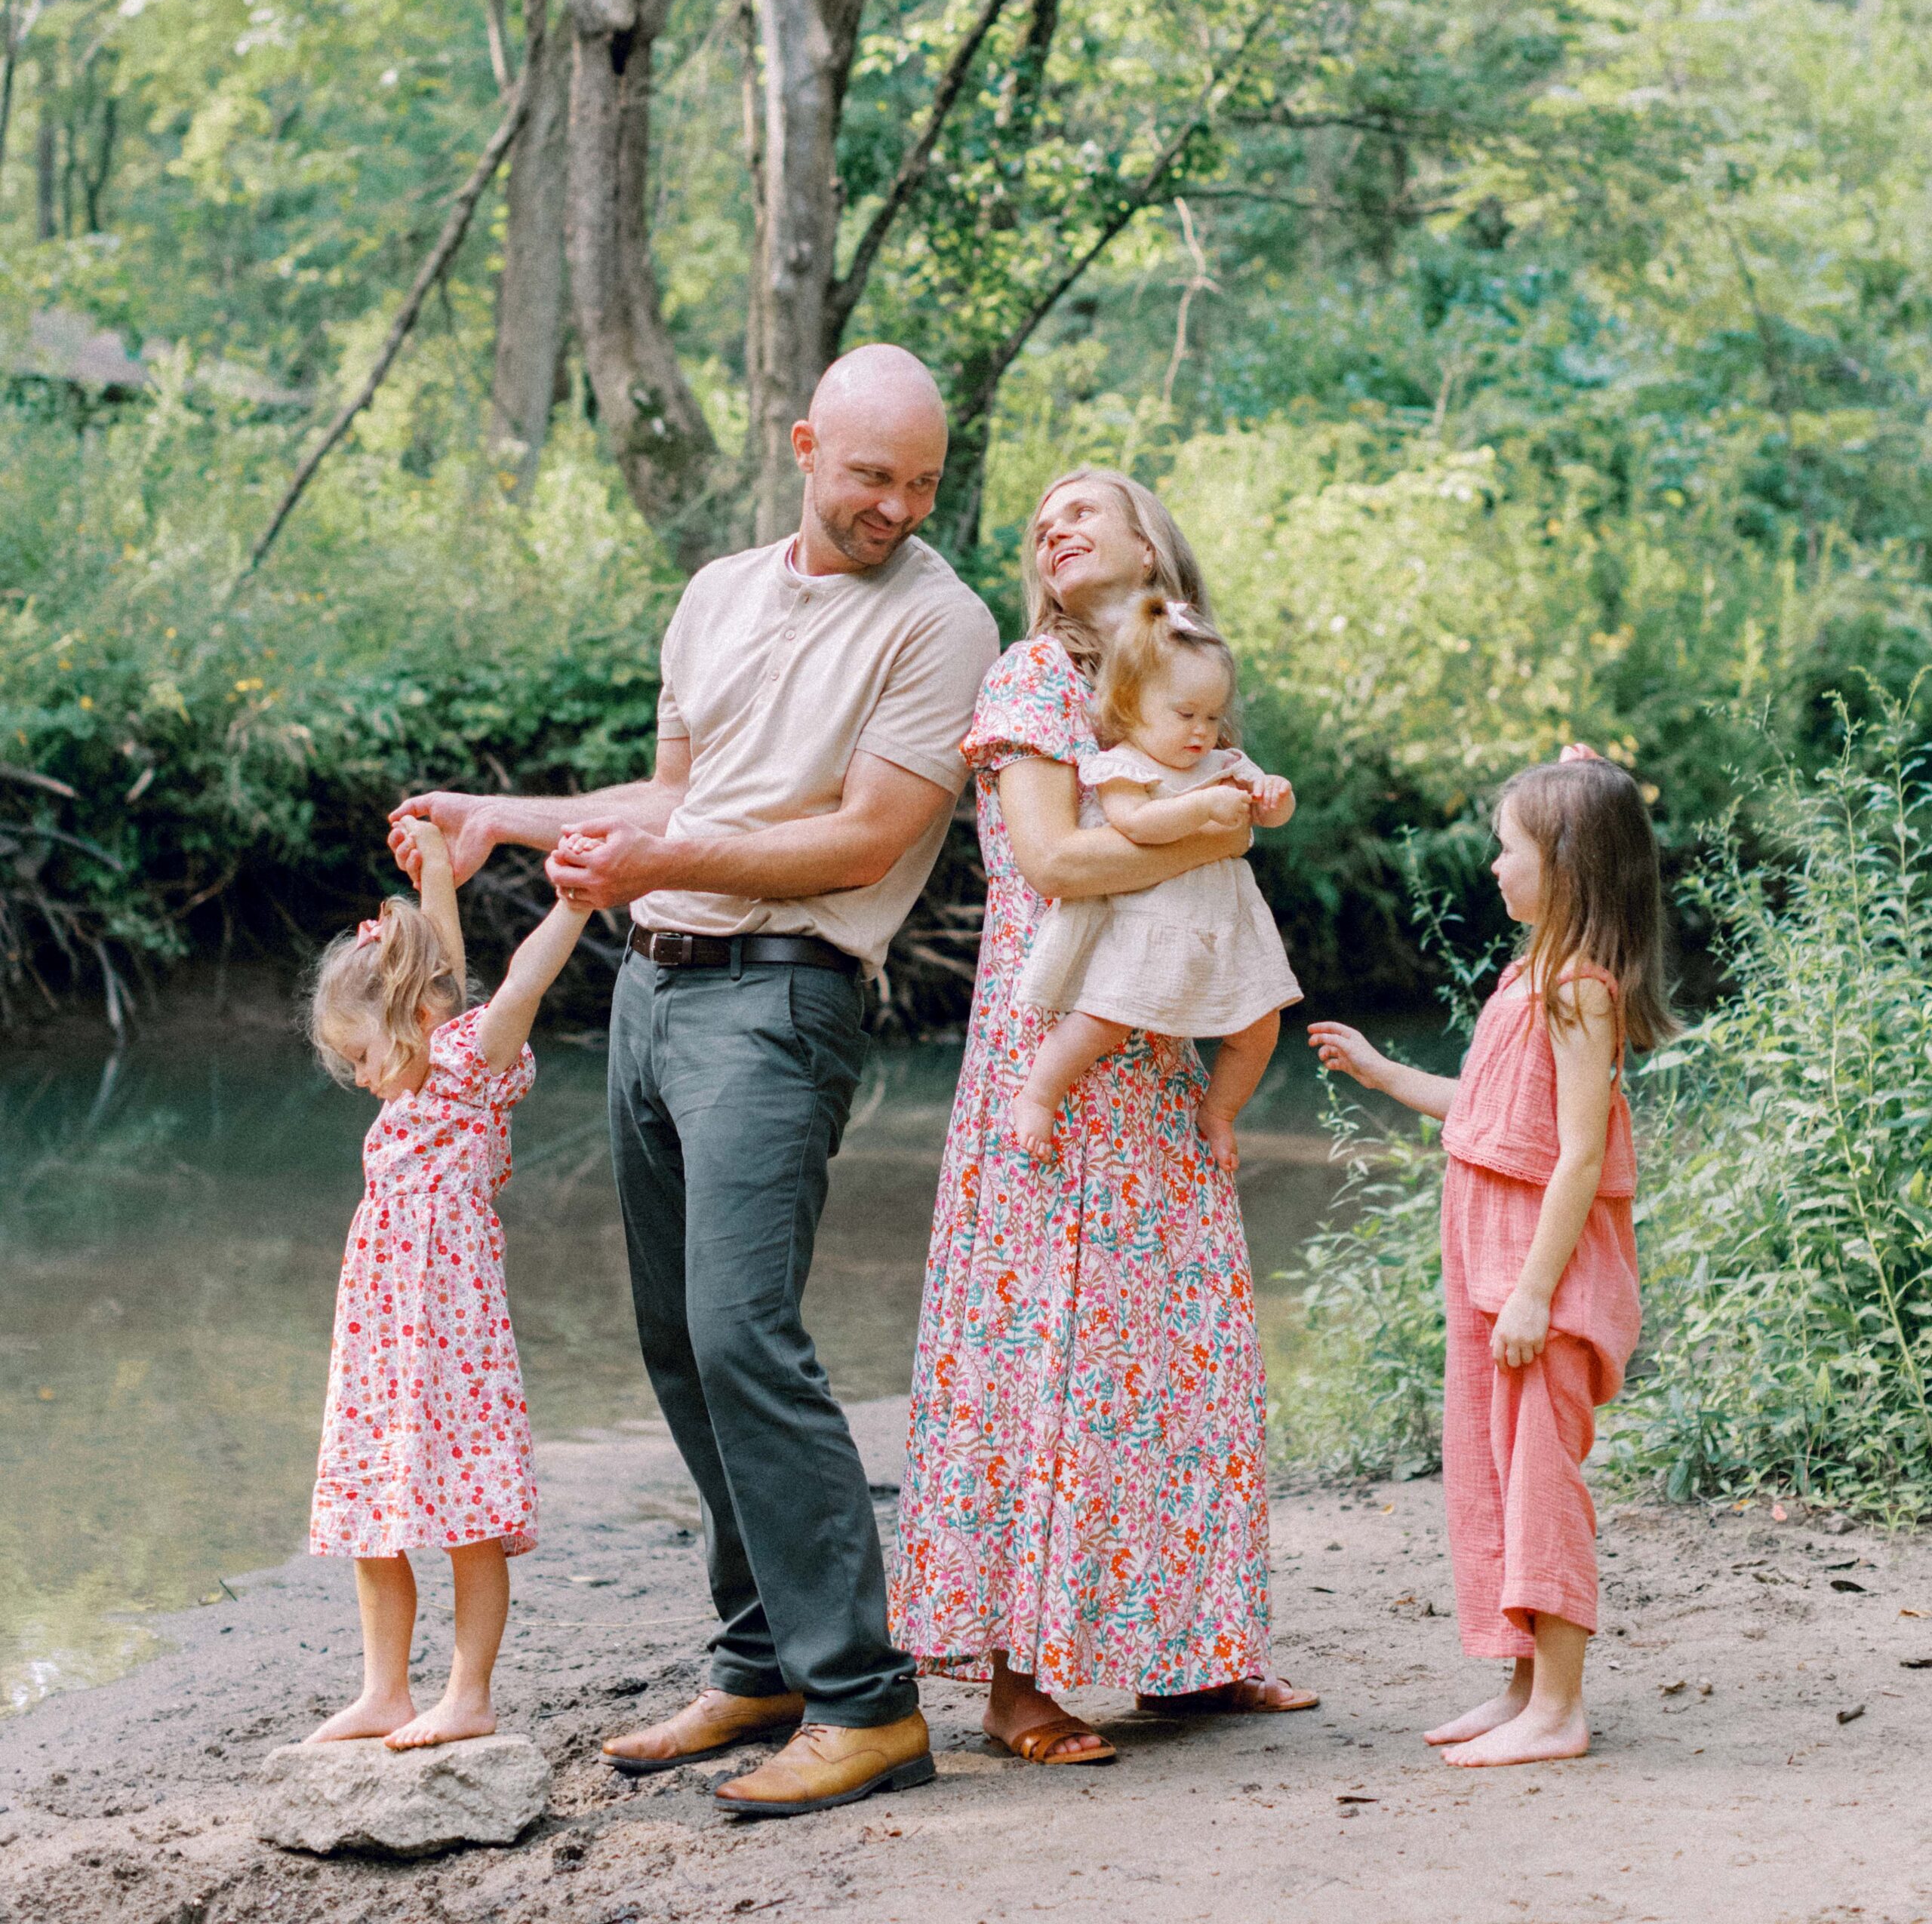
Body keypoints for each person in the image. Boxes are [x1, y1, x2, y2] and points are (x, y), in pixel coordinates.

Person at [388, 344, 999, 1817]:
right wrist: (500, 819)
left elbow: (863, 839)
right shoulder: (718, 592)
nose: (896, 507)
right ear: (802, 446)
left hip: (781, 999)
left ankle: (864, 1699)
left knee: (745, 1335)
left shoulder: (940, 621)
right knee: (674, 1339)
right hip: (651, 986)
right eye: (869, 477)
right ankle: (761, 1660)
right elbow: (673, 798)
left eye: (920, 482)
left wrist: (663, 858)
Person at [891, 467, 1318, 1768]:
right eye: (1043, 518)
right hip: (1059, 1050)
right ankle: (1019, 1682)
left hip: (1164, 1052)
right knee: (1049, 1352)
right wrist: (1213, 834)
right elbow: (1056, 860)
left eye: (1085, 506)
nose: (1051, 524)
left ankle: (1188, 1653)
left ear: (1152, 542)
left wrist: (1222, 820)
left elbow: (1230, 819)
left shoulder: (1182, 675)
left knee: (1182, 1346)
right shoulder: (1033, 678)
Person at [1308, 747, 1675, 1767]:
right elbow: (1487, 1113)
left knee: (1540, 1483)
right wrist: (1384, 1076)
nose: (1493, 868)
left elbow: (1579, 1156)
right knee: (1496, 1475)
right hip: (1495, 1272)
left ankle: (1559, 1710)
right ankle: (1522, 1687)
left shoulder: (1580, 993)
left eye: (1507, 849)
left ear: (1562, 863)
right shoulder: (1529, 976)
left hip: (1537, 1283)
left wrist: (1534, 1295)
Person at [304, 816, 590, 1749]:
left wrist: (574, 904)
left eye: (360, 1054)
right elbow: (442, 961)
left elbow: (514, 986)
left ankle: (467, 1693)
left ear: (415, 1025)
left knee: (468, 1510)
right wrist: (433, 869)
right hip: (383, 1332)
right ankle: (384, 1687)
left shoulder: (470, 1067)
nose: (356, 1075)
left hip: (452, 1335)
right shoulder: (418, 1062)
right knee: (371, 1513)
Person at [1009, 590, 1301, 1171]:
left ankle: (1218, 1112)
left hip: (1219, 927)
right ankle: (1038, 1095)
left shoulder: (1222, 763)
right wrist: (1202, 811)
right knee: (1102, 1019)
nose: (1201, 731)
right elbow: (1136, 824)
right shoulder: (1124, 766)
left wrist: (1274, 796)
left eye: (1213, 717)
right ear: (1131, 702)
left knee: (1261, 1026)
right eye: (1185, 714)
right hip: (1146, 924)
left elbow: (1267, 815)